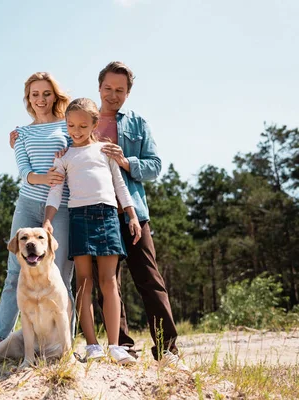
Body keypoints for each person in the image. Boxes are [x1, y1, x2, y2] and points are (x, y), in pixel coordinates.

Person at [0, 72, 75, 362]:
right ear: (28, 99)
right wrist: (47, 177)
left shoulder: (68, 125)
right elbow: (25, 173)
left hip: (62, 207)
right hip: (28, 204)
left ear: (54, 95)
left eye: (46, 93)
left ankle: (66, 349)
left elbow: (77, 154)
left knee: (62, 279)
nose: (40, 99)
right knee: (13, 274)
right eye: (34, 94)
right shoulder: (21, 133)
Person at [92, 61, 185, 368]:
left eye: (120, 90)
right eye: (108, 88)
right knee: (107, 283)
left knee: (150, 280)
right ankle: (122, 348)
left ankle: (168, 350)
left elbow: (155, 166)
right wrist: (21, 135)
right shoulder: (83, 119)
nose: (113, 95)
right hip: (97, 215)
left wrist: (127, 161)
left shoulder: (138, 123)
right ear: (99, 87)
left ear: (128, 93)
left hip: (133, 213)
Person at [42, 98, 141, 364]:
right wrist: (47, 220)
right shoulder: (64, 157)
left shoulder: (105, 152)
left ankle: (115, 345)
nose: (75, 130)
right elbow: (55, 191)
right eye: (71, 125)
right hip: (79, 217)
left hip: (108, 216)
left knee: (109, 282)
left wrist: (131, 215)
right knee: (83, 281)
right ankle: (92, 345)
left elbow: (121, 186)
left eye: (82, 126)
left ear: (94, 124)